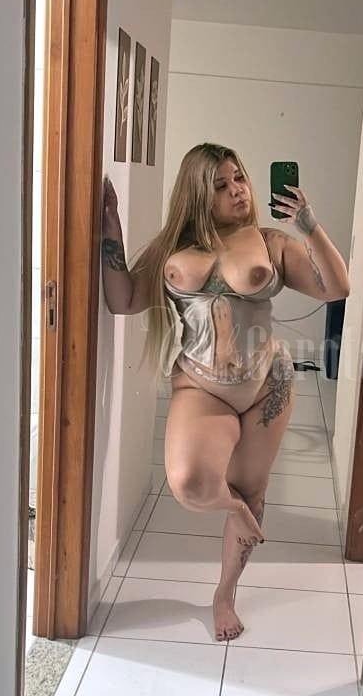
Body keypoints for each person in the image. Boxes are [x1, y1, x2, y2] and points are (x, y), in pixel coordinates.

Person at [101, 142, 350, 641]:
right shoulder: (172, 248)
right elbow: (124, 299)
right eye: (221, 184)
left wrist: (308, 225)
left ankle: (225, 594)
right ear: (198, 193)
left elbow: (336, 288)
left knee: (253, 486)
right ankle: (236, 511)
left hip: (267, 383)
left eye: (240, 178)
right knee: (190, 483)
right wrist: (111, 233)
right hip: (202, 385)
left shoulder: (270, 241)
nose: (238, 190)